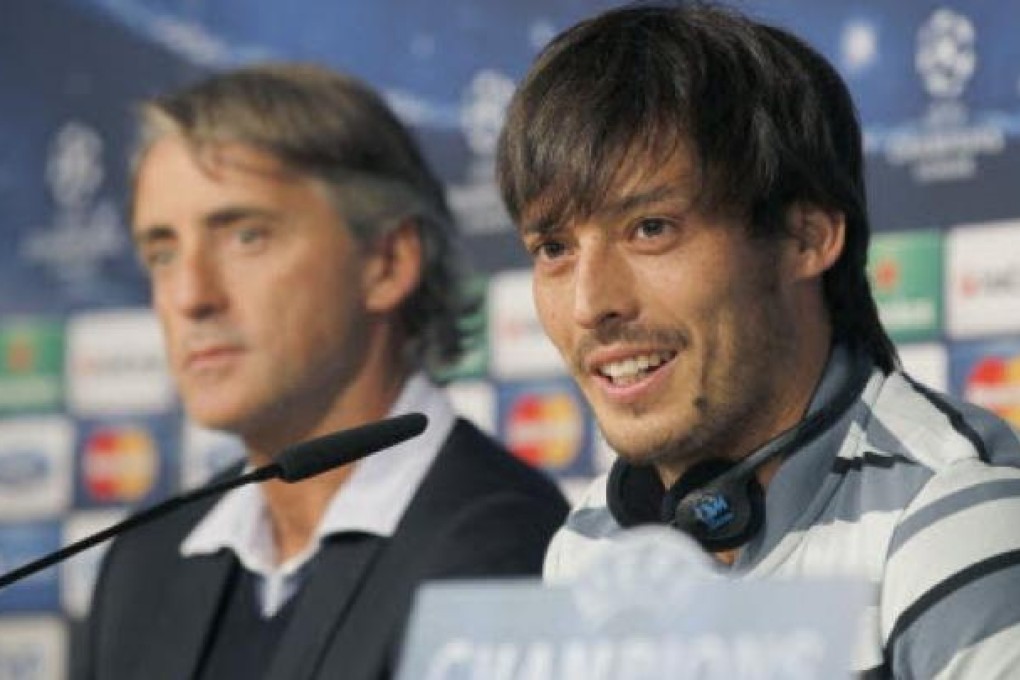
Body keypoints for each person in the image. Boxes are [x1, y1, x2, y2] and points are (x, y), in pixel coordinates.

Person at [496, 3, 1020, 677]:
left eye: (650, 228)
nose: (590, 303)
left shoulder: (954, 515)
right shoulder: (588, 541)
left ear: (804, 238)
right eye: (555, 247)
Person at [78, 63, 568, 680]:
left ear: (387, 263)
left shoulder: (503, 545)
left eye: (246, 236)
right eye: (162, 252)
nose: (190, 296)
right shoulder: (144, 564)